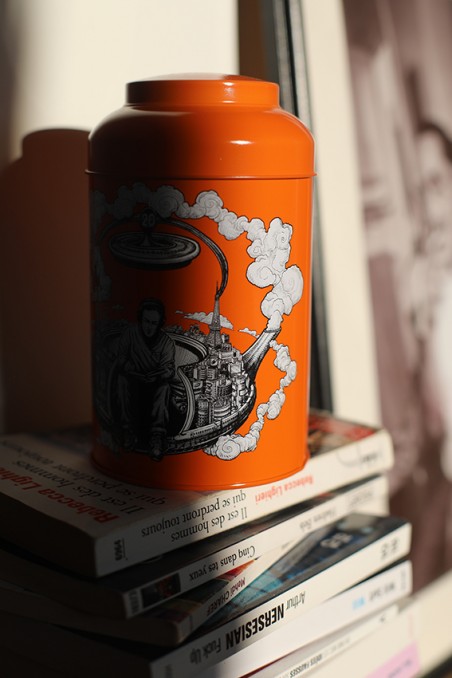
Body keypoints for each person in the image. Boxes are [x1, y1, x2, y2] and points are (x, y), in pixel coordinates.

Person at [115, 298, 176, 460]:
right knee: (121, 381)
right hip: (133, 380)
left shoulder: (166, 343)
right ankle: (127, 431)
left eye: (154, 323)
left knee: (165, 388)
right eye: (146, 321)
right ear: (140, 319)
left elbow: (169, 369)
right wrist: (132, 370)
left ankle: (157, 436)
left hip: (155, 384)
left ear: (160, 323)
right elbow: (121, 359)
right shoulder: (129, 334)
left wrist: (157, 375)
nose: (149, 327)